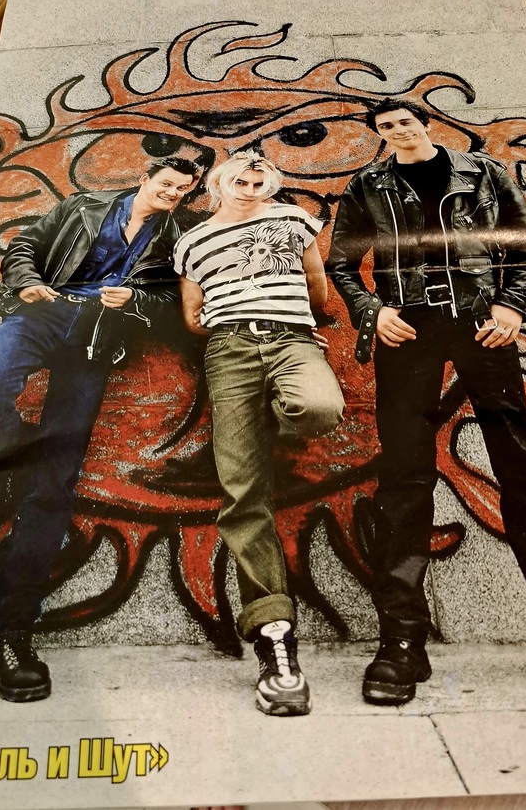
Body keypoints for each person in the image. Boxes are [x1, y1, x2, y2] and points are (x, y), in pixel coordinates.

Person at [328, 98, 526, 706]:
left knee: (525, 475)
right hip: (409, 335)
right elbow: (342, 264)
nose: (397, 131)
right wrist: (373, 311)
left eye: (405, 122)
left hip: (484, 328)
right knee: (404, 478)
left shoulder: (482, 172)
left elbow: (522, 243)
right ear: (379, 136)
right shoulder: (368, 184)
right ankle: (402, 642)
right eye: (385, 127)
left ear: (426, 125)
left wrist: (512, 306)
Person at [0, 156, 200, 702]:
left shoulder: (177, 235)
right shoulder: (83, 207)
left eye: (183, 189)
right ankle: (14, 462)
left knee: (54, 484)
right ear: (145, 178)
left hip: (96, 340)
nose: (173, 194)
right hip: (42, 315)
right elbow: (24, 247)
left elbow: (173, 298)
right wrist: (26, 282)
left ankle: (9, 637)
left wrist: (136, 299)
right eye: (166, 184)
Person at [174, 152, 345, 716]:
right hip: (228, 352)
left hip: (293, 339)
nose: (249, 188)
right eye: (239, 181)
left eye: (259, 182)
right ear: (219, 184)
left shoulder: (292, 219)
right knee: (242, 490)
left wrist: (294, 324)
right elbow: (192, 314)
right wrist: (235, 325)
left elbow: (318, 286)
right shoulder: (193, 240)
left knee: (318, 407)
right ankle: (275, 642)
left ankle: (276, 406)